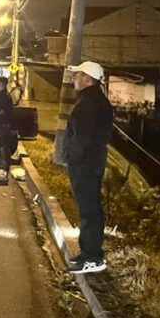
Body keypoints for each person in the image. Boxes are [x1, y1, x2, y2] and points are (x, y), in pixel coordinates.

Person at [61, 61, 114, 274]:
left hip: (85, 164)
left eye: (77, 75)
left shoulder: (88, 103)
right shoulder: (94, 100)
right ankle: (88, 253)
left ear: (87, 79)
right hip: (91, 162)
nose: (74, 78)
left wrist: (72, 159)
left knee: (90, 211)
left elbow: (81, 137)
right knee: (89, 209)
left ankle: (93, 258)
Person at [0, 75, 16, 180]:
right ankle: (1, 170)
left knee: (4, 149)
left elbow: (1, 112)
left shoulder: (4, 97)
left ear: (1, 84)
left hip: (3, 125)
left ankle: (4, 172)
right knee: (1, 148)